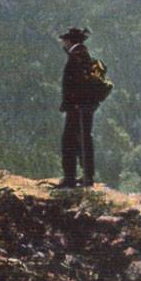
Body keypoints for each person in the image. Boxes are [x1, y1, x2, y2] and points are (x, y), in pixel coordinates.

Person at [57, 27, 97, 188]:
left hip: (77, 108)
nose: (63, 43)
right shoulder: (83, 54)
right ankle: (87, 176)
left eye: (65, 40)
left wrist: (72, 103)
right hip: (84, 107)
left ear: (69, 41)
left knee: (69, 141)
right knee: (84, 140)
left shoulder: (76, 56)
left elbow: (75, 84)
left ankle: (70, 178)